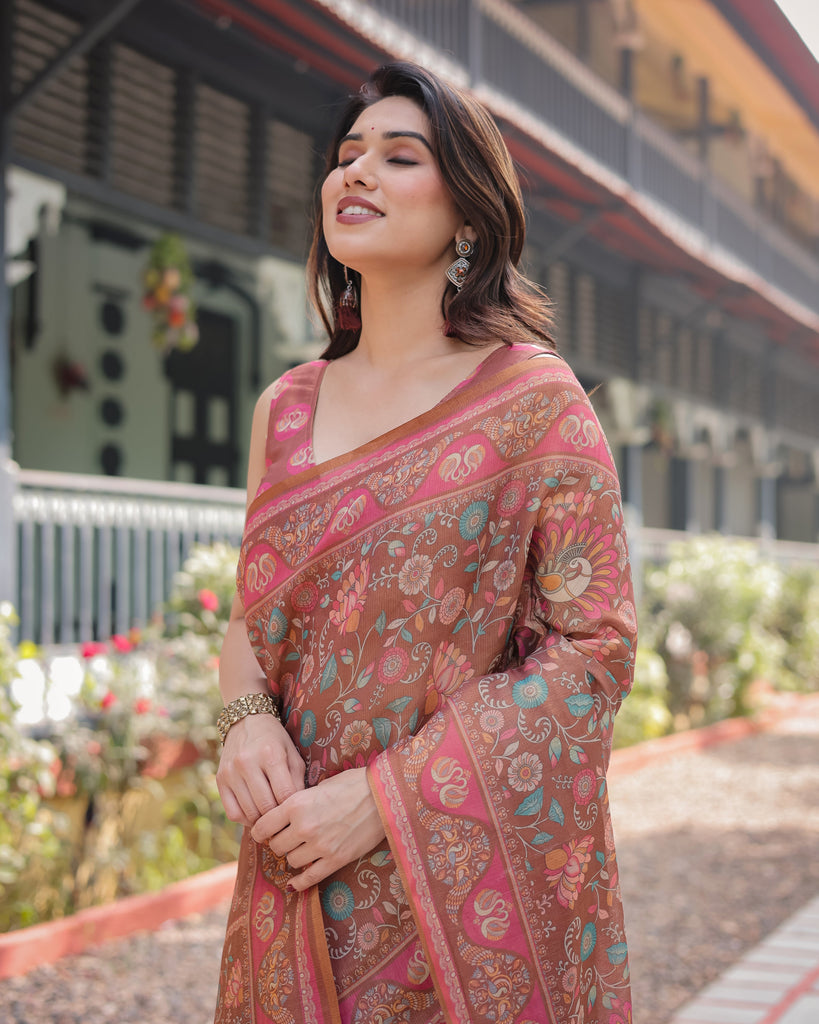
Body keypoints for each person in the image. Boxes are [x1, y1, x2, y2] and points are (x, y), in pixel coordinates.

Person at [213, 61, 636, 1024]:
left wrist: (388, 800)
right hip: (295, 872)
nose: (355, 172)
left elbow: (595, 649)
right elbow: (256, 617)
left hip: (455, 891)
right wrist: (241, 718)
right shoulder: (284, 409)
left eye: (399, 157)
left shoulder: (532, 402)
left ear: (470, 216)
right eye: (346, 155)